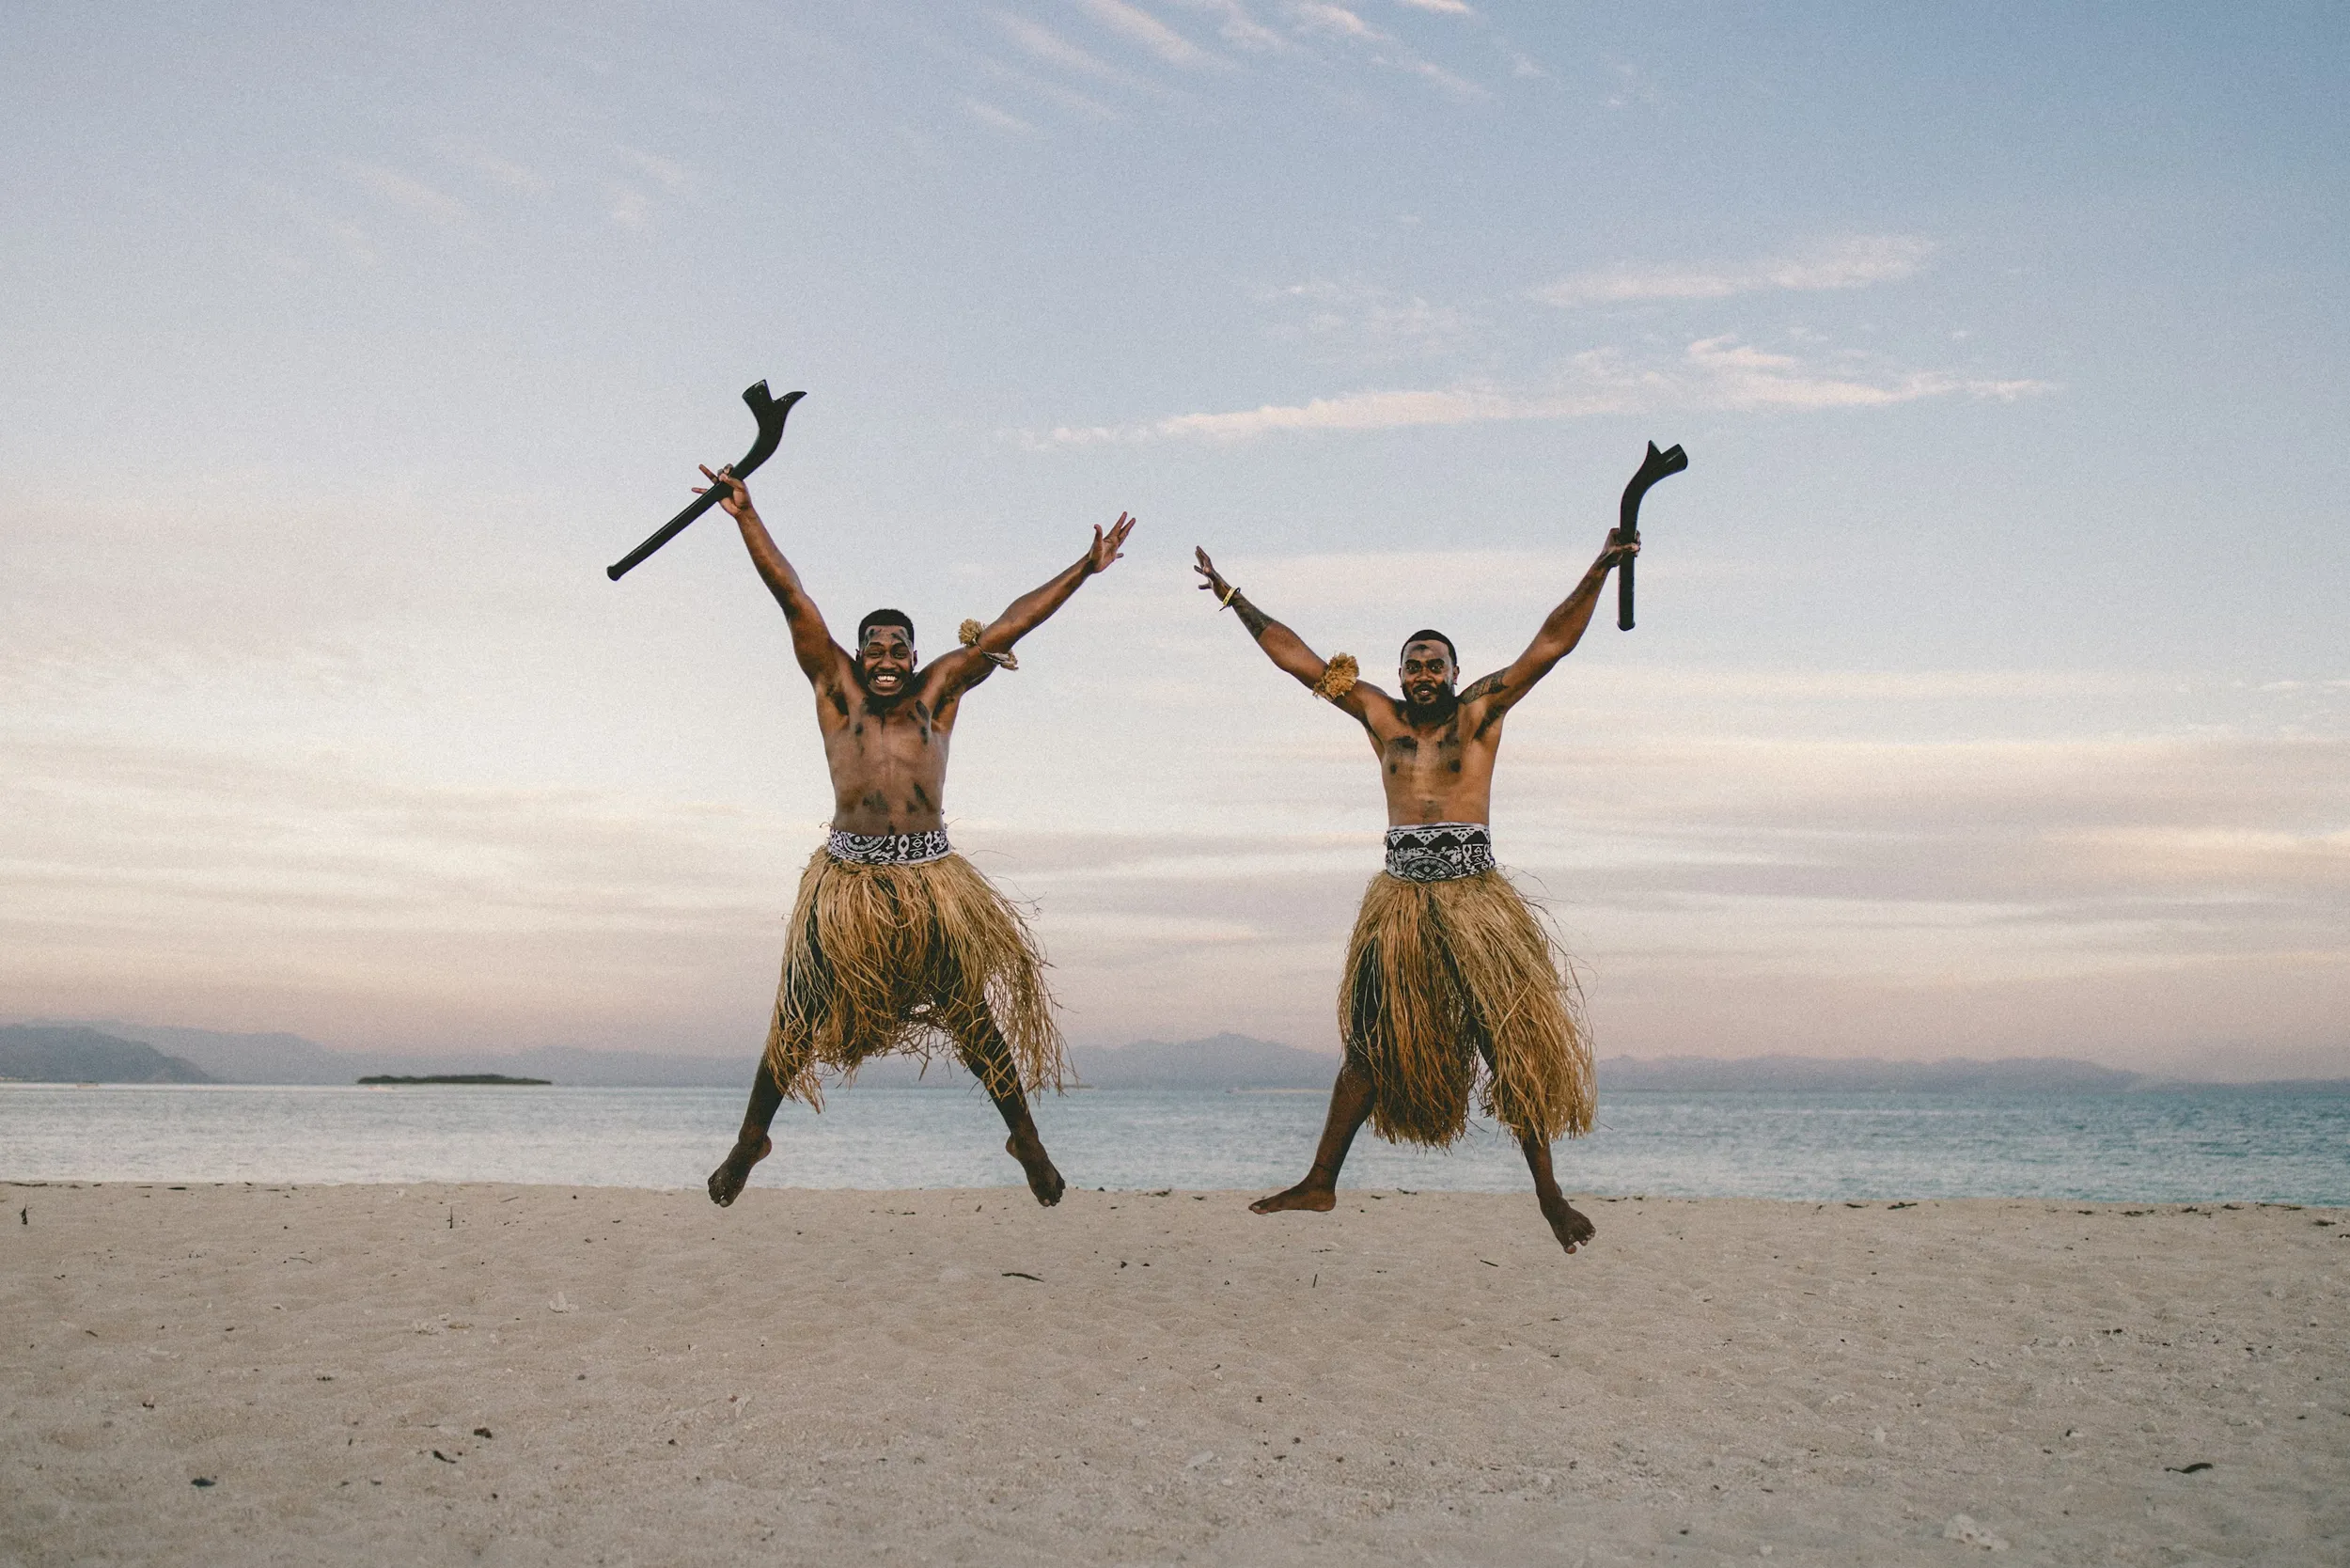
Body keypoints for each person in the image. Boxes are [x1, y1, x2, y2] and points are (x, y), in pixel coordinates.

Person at [1190, 520, 1637, 1255]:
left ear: (1456, 673)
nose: (1424, 674)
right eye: (1413, 665)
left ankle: (1551, 1197)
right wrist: (1235, 597)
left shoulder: (1481, 713)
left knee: (1508, 1045)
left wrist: (1599, 568)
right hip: (1399, 908)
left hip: (1474, 906)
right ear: (1399, 675)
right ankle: (1320, 1181)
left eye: (1435, 664)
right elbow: (1297, 661)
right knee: (1365, 1048)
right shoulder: (1380, 717)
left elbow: (1551, 645)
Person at [698, 462, 1136, 1208]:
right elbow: (790, 595)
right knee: (798, 1013)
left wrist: (1085, 571)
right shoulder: (837, 691)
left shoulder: (940, 692)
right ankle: (751, 1141)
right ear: (859, 654)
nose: (889, 660)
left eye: (900, 648)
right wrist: (746, 514)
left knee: (971, 1017)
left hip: (931, 882)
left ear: (915, 653)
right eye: (877, 648)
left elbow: (1013, 622)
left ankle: (1024, 1139)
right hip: (846, 885)